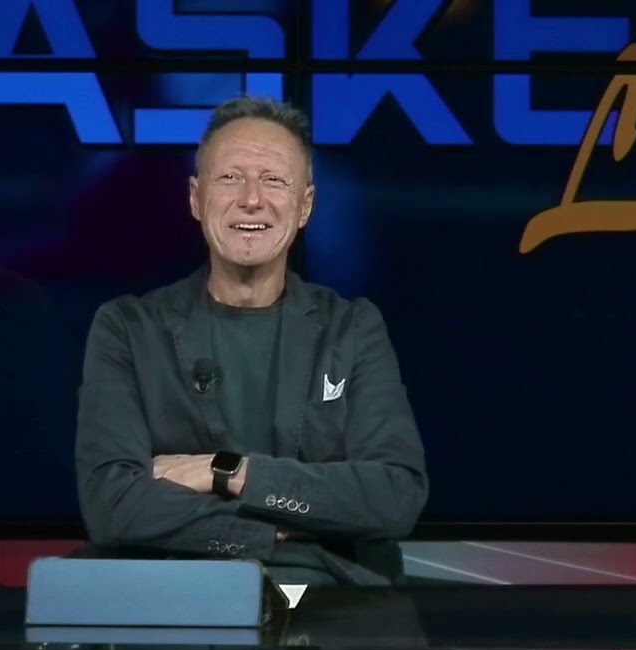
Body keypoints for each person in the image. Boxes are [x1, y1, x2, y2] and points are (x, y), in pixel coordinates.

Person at [74, 96, 429, 587]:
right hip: (179, 597)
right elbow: (112, 505)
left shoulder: (352, 328)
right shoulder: (128, 328)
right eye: (230, 178)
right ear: (196, 198)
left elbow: (394, 496)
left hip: (333, 604)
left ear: (305, 206)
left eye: (274, 180)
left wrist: (226, 472)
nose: (252, 200)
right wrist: (280, 531)